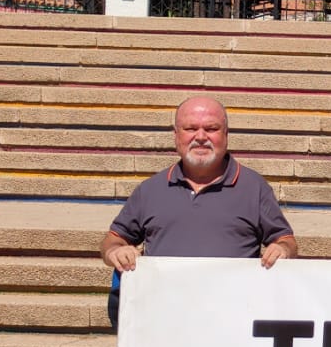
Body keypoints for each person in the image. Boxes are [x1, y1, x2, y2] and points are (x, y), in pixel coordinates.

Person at [100, 96, 296, 328]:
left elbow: (287, 241)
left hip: (232, 322)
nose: (201, 137)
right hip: (165, 322)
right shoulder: (151, 189)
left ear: (226, 135)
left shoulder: (254, 187)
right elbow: (111, 242)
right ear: (176, 135)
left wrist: (281, 249)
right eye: (190, 128)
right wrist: (117, 251)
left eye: (211, 129)